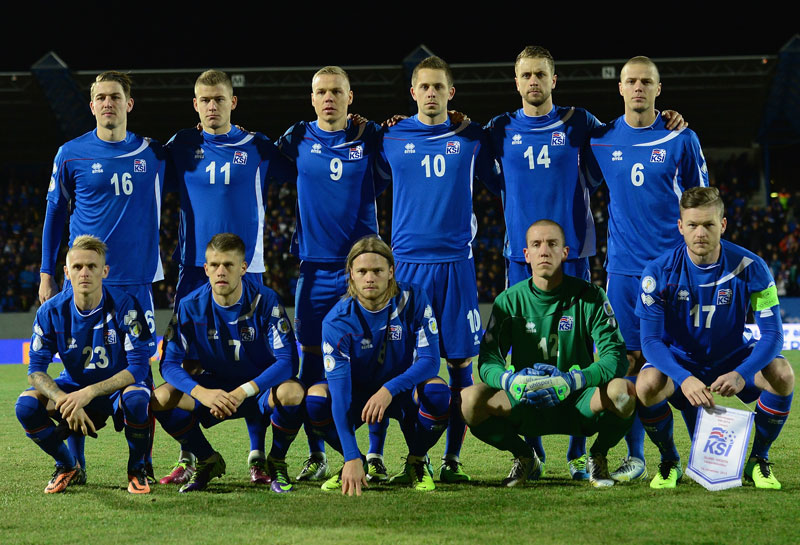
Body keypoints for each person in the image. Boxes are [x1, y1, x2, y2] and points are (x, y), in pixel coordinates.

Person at [159, 69, 295, 486]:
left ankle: (258, 456)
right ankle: (192, 455)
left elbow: (305, 168)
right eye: (204, 99)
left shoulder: (257, 145)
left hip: (247, 269)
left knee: (255, 360)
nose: (212, 106)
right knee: (189, 365)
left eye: (219, 99)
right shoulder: (182, 145)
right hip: (193, 270)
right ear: (195, 104)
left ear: (233, 102)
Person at [582, 56, 709, 481]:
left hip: (675, 271)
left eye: (646, 82)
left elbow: (703, 202)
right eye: (631, 81)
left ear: (658, 88)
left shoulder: (681, 138)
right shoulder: (601, 140)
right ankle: (637, 457)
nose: (638, 88)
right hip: (623, 273)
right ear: (620, 88)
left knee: (685, 361)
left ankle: (704, 457)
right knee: (630, 363)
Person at [39, 71, 165, 482]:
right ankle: (74, 464)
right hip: (85, 282)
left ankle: (141, 464)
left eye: (115, 96)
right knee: (77, 370)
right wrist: (46, 272)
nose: (108, 103)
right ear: (92, 105)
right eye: (101, 97)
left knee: (139, 376)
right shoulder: (70, 154)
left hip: (135, 282)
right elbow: (54, 214)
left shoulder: (154, 152)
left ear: (129, 103)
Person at [377, 56, 498, 482]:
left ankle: (452, 461)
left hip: (456, 267)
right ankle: (381, 456)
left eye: (438, 87)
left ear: (451, 92)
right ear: (412, 93)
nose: (431, 93)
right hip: (407, 268)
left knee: (460, 366)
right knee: (397, 365)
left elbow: (501, 178)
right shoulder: (390, 136)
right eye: (424, 87)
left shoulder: (472, 136)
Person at [635, 187, 793, 489]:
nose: (700, 233)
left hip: (733, 358)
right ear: (680, 226)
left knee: (782, 374)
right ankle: (669, 461)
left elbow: (773, 334)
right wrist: (684, 378)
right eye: (692, 225)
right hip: (682, 360)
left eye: (708, 224)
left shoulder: (751, 267)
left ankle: (759, 459)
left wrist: (741, 373)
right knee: (646, 385)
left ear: (722, 225)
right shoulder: (658, 272)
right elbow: (650, 341)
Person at [275, 66, 387, 483]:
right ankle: (317, 453)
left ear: (349, 97)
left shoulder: (370, 136)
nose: (329, 98)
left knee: (375, 360)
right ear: (312, 98)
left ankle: (374, 455)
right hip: (315, 270)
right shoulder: (297, 138)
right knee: (311, 366)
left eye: (336, 91)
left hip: (362, 269)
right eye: (321, 92)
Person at [461, 220, 634, 487]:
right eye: (536, 244)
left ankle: (598, 455)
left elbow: (616, 357)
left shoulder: (590, 296)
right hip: (526, 400)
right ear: (526, 254)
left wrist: (574, 380)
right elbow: (488, 360)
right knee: (469, 400)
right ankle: (524, 455)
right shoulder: (508, 301)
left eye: (552, 244)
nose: (544, 251)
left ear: (564, 253)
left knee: (623, 392)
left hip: (578, 400)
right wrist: (510, 381)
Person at [153, 233, 303, 493]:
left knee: (293, 392)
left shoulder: (265, 300)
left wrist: (243, 391)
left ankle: (276, 461)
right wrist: (202, 393)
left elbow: (289, 361)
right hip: (215, 388)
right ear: (206, 269)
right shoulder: (190, 306)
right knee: (160, 398)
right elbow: (168, 364)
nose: (221, 271)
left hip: (258, 390)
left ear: (243, 268)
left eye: (228, 265)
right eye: (214, 265)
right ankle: (207, 459)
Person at [306, 236, 450, 495]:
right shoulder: (337, 321)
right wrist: (351, 456)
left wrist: (388, 390)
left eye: (377, 271)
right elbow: (340, 395)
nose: (369, 278)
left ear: (391, 272)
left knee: (438, 393)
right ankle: (356, 463)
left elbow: (430, 361)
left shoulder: (414, 298)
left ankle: (417, 461)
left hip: (402, 392)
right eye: (362, 271)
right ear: (351, 274)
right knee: (316, 400)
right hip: (358, 397)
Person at [16, 236, 157, 494]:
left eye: (92, 266)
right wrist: (63, 399)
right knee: (26, 406)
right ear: (66, 272)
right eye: (78, 266)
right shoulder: (51, 312)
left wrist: (88, 393)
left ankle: (137, 469)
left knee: (137, 399)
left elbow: (139, 367)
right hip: (74, 386)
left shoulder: (126, 305)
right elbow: (35, 371)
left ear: (105, 271)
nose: (85, 273)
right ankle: (67, 465)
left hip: (117, 390)